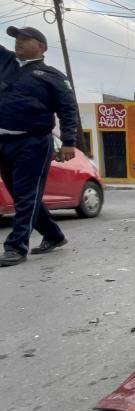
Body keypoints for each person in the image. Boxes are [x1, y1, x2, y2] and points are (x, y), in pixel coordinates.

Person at [0, 26, 79, 267]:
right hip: (4, 141)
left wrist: (68, 142)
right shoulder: (6, 64)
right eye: (17, 40)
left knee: (26, 195)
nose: (19, 43)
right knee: (22, 195)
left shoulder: (52, 76)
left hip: (33, 142)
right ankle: (54, 235)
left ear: (41, 47)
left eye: (26, 40)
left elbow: (68, 109)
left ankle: (16, 247)